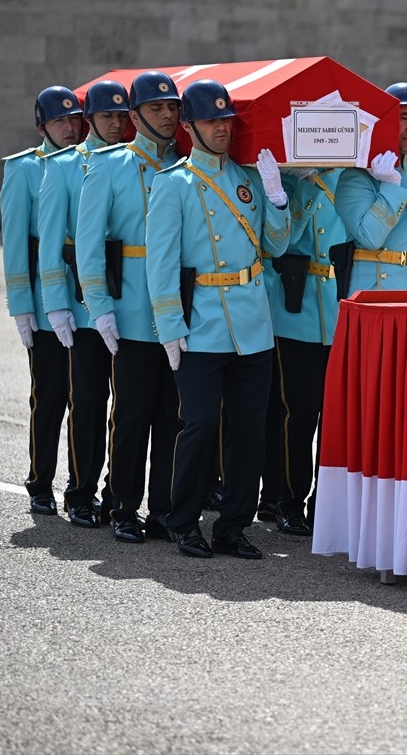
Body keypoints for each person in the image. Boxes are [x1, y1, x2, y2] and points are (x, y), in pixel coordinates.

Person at [145, 79, 291, 559]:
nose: (222, 128)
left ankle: (232, 526)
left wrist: (277, 200)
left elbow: (275, 247)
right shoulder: (174, 184)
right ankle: (183, 521)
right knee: (201, 424)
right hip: (202, 324)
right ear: (189, 127)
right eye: (211, 120)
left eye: (226, 119)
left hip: (251, 323)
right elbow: (161, 264)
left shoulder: (247, 179)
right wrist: (169, 328)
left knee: (250, 429)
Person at [75, 71, 183, 543]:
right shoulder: (109, 165)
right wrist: (99, 306)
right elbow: (88, 243)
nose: (167, 115)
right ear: (135, 116)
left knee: (171, 415)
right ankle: (122, 506)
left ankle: (162, 509)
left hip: (178, 309)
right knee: (133, 413)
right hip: (131, 311)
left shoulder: (186, 165)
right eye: (157, 109)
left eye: (173, 108)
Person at [37, 79, 130, 527]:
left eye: (121, 115)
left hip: (130, 304)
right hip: (82, 306)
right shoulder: (65, 167)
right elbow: (52, 244)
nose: (116, 123)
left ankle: (117, 495)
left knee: (127, 408)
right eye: (107, 116)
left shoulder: (136, 162)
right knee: (88, 403)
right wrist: (55, 304)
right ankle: (80, 492)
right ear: (89, 119)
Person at [0, 85, 85, 516]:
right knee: (49, 395)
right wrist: (21, 306)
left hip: (87, 299)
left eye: (74, 120)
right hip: (44, 303)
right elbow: (16, 244)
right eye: (60, 121)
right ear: (42, 127)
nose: (70, 128)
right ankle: (39, 481)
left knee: (84, 400)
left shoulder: (89, 163)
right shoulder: (24, 170)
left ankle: (79, 486)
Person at [259, 167, 346, 535]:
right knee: (297, 412)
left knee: (334, 416)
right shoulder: (286, 178)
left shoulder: (351, 177)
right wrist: (305, 184)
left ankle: (323, 503)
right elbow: (279, 241)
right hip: (295, 310)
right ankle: (286, 500)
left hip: (339, 308)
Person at [332, 82, 407, 294]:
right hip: (370, 294)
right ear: (385, 120)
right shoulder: (356, 176)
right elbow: (370, 238)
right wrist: (390, 186)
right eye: (405, 117)